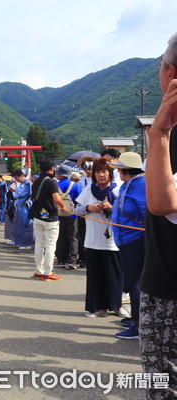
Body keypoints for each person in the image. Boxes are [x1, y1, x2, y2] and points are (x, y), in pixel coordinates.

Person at [139, 32, 177, 398]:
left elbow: (163, 203)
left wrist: (159, 135)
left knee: (163, 384)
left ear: (169, 73)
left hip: (170, 287)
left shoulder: (167, 135)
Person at [74, 158, 127, 318]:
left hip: (112, 242)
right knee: (95, 277)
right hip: (92, 240)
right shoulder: (89, 190)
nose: (101, 175)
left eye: (104, 172)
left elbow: (125, 214)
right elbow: (77, 210)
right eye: (98, 172)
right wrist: (89, 208)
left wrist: (111, 209)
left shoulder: (117, 190)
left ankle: (117, 306)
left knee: (115, 276)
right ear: (94, 174)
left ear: (110, 174)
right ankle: (99, 308)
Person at [108, 152, 146, 340]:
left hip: (135, 239)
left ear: (124, 170)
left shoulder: (139, 186)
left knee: (134, 282)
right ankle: (136, 319)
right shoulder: (131, 185)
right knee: (133, 282)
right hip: (127, 238)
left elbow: (145, 212)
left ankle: (139, 326)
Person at [31, 159, 66, 281]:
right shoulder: (52, 182)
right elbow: (57, 199)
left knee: (39, 244)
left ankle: (38, 270)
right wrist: (62, 206)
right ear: (51, 169)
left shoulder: (35, 182)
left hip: (37, 216)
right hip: (50, 218)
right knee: (50, 245)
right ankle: (47, 272)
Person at [54, 164, 81, 269]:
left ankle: (61, 260)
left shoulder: (56, 185)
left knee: (61, 238)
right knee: (73, 237)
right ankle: (72, 260)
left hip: (59, 214)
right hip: (72, 215)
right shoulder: (75, 185)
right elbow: (79, 199)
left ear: (60, 174)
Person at [11, 170, 34, 250]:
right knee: (21, 225)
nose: (16, 180)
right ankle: (23, 242)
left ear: (21, 175)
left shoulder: (27, 183)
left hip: (25, 206)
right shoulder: (24, 183)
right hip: (21, 206)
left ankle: (27, 243)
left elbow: (22, 194)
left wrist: (16, 188)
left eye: (17, 178)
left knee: (26, 224)